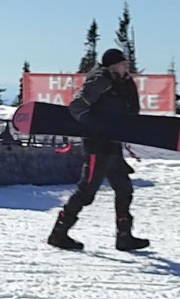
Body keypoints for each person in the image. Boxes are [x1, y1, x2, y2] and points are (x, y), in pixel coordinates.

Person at [47, 48, 150, 252]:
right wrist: (94, 127)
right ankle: (58, 234)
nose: (127, 66)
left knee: (124, 189)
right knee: (87, 192)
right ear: (113, 65)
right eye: (123, 63)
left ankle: (124, 237)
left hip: (113, 144)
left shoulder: (123, 83)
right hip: (97, 146)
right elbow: (77, 106)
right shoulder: (100, 81)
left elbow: (129, 112)